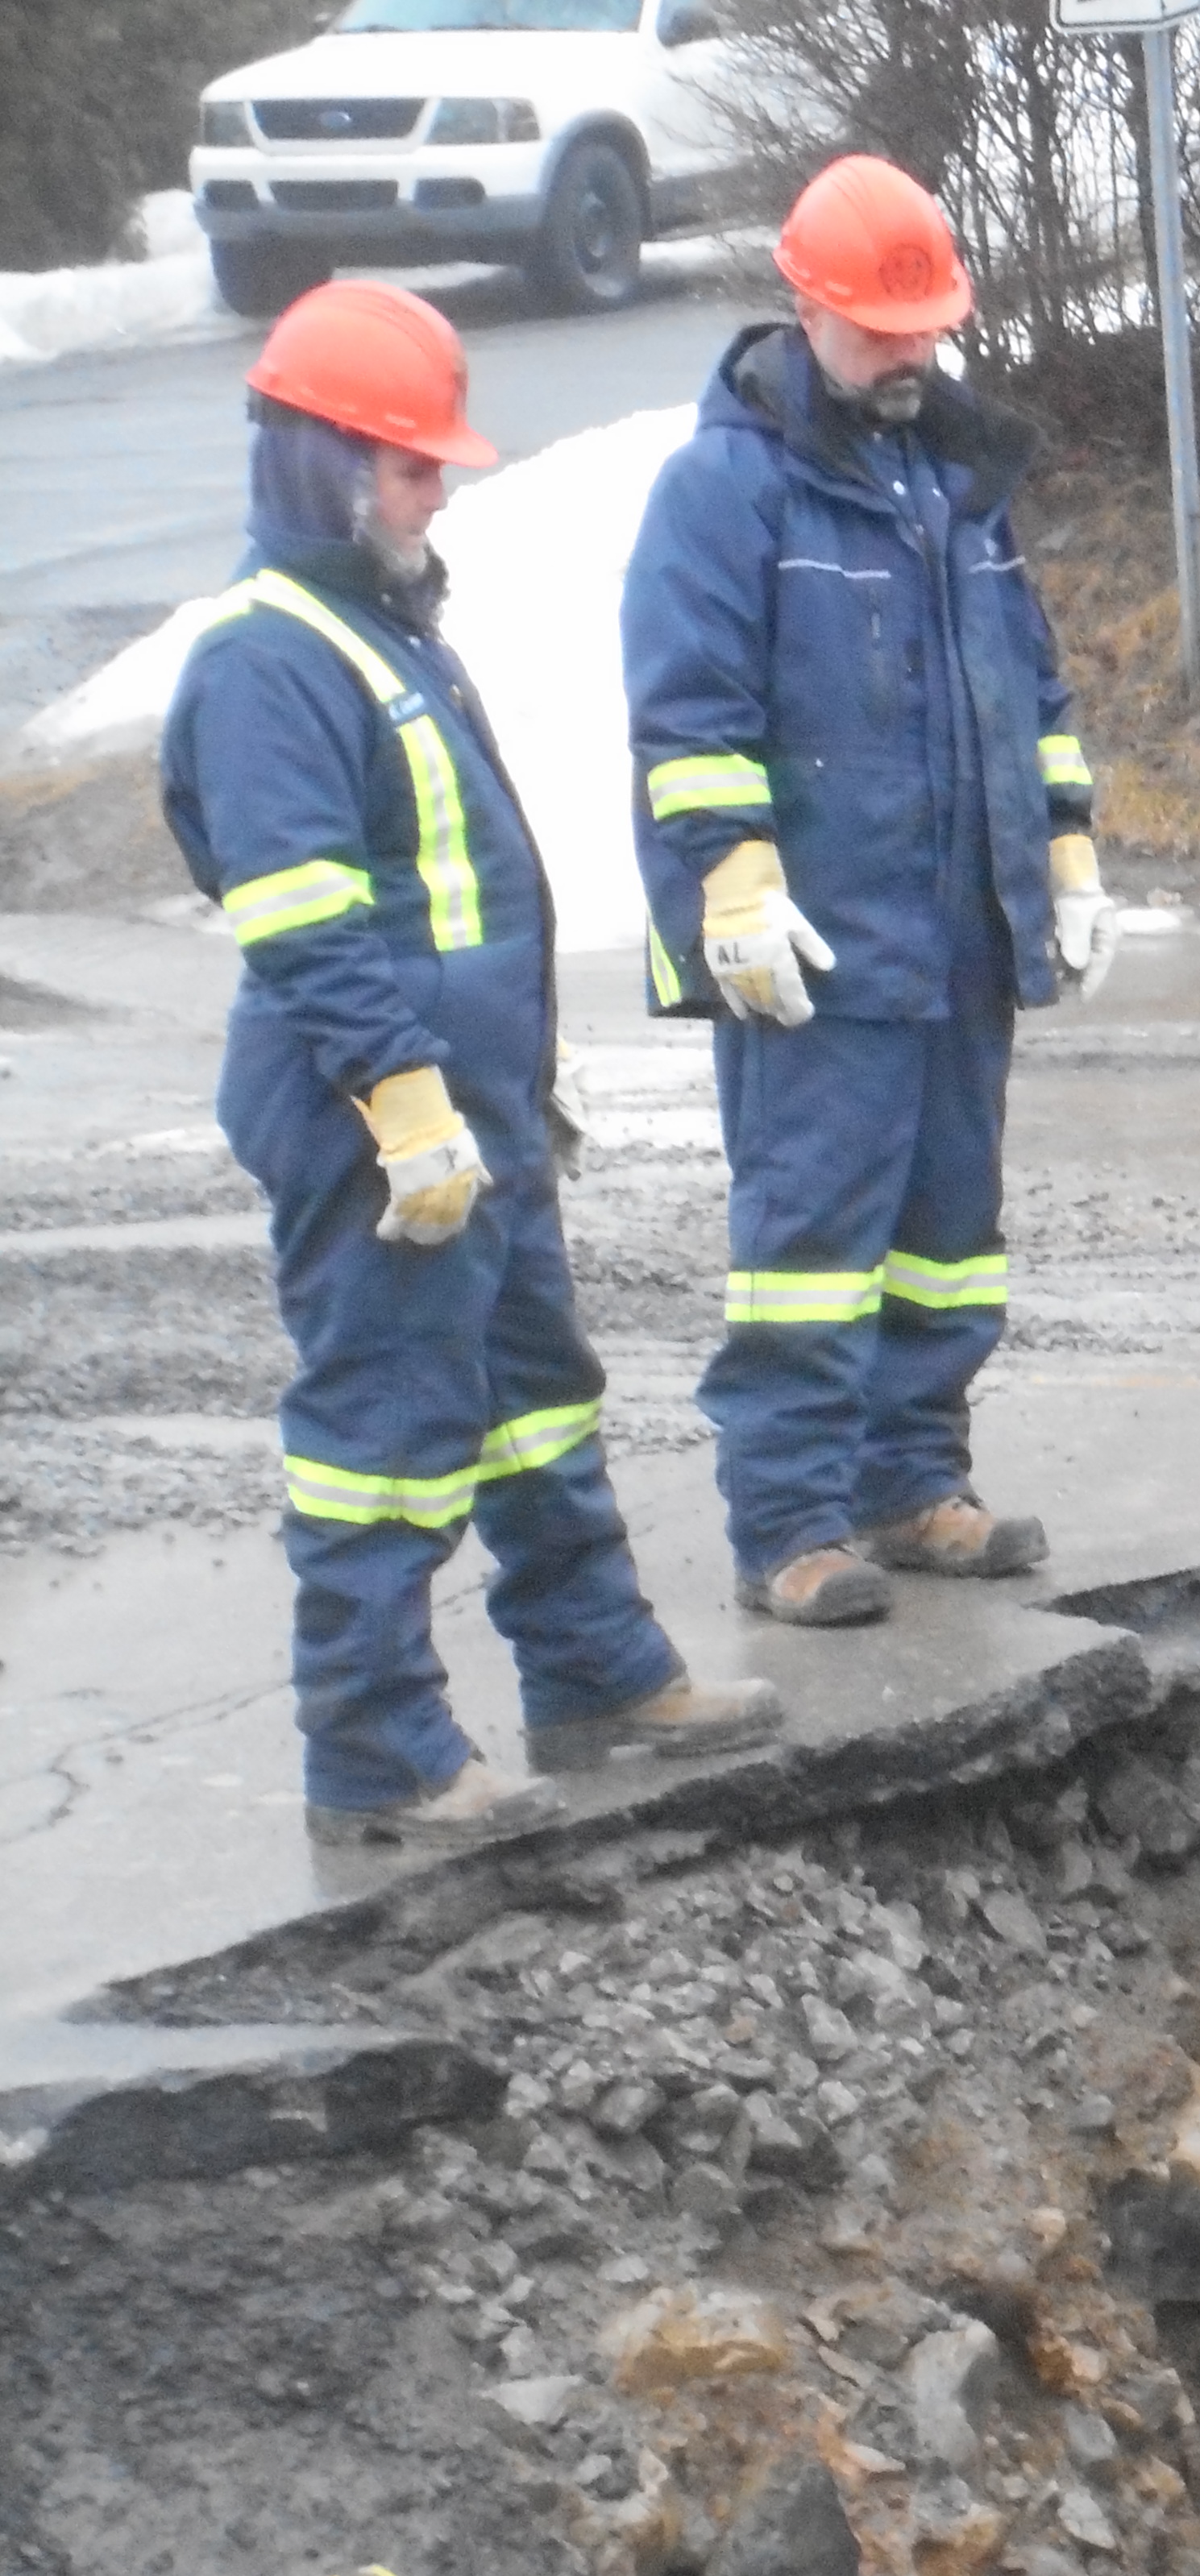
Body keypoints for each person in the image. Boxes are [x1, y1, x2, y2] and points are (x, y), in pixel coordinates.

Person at [161, 282, 783, 1846]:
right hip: (373, 1121)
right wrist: (401, 1095)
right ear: (323, 463)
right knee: (383, 1434)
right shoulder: (270, 656)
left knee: (531, 1400)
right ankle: (376, 1757)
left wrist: (497, 1087)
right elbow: (300, 909)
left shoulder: (382, 632)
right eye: (413, 465)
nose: (440, 491)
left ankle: (594, 1672)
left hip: (463, 1107)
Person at [622, 152, 1119, 1629]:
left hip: (956, 928)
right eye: (880, 326)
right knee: (809, 1253)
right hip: (815, 945)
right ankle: (791, 1526)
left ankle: (913, 1485)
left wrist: (1068, 847)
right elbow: (687, 712)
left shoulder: (956, 483)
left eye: (926, 325)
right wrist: (736, 881)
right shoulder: (728, 488)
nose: (909, 351)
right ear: (805, 304)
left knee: (948, 1233)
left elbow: (1026, 686)